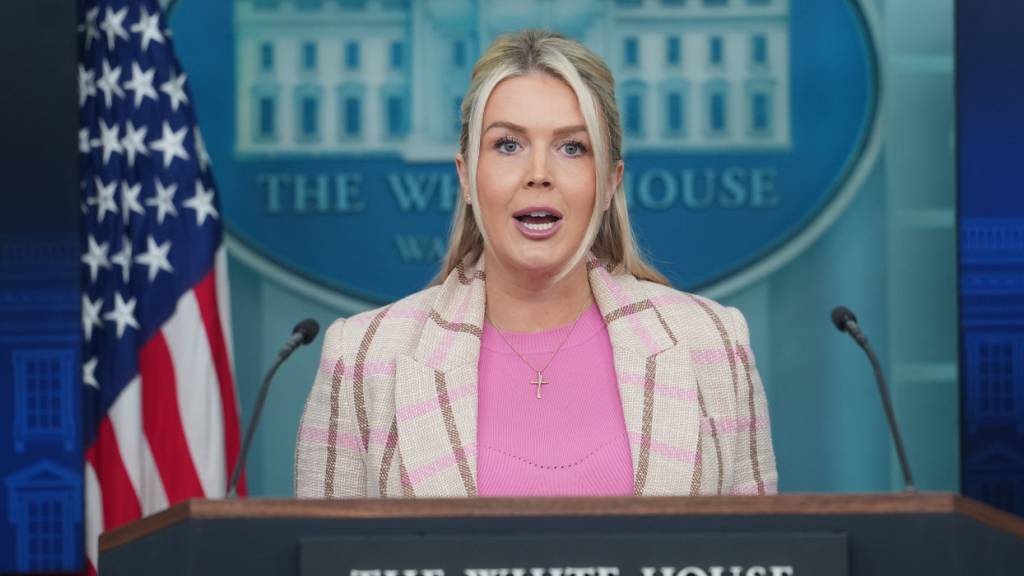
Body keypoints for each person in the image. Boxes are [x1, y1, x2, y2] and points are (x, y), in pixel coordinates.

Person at [295, 30, 777, 498]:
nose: (539, 175)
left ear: (610, 183)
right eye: (508, 145)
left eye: (572, 147)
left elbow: (761, 553)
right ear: (466, 175)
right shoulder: (362, 360)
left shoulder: (712, 343)